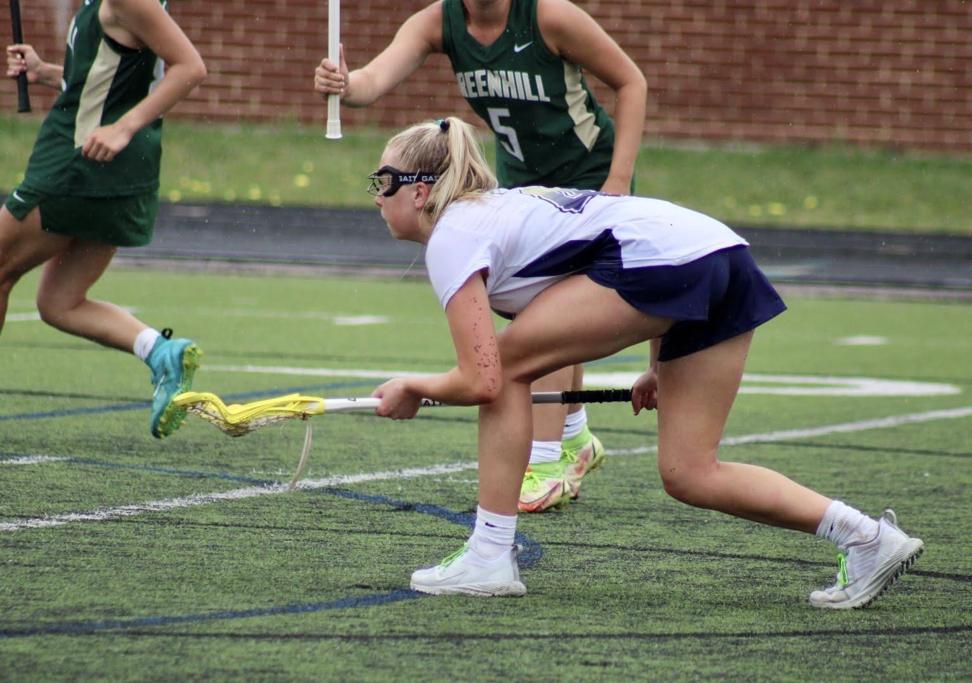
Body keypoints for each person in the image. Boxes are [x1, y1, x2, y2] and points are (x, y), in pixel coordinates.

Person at [367, 117, 924, 607]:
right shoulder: (491, 214)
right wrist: (660, 365)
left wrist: (414, 387)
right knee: (690, 474)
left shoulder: (454, 233)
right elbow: (630, 239)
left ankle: (488, 556)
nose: (376, 196)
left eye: (383, 181)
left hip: (671, 265)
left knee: (510, 368)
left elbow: (483, 379)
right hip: (719, 255)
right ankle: (867, 538)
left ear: (420, 192)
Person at [313, 0, 648, 513]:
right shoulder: (439, 21)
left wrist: (617, 183)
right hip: (522, 182)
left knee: (546, 320)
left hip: (587, 180)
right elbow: (373, 80)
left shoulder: (549, 16)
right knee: (543, 314)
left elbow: (632, 82)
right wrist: (345, 83)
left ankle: (545, 459)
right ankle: (575, 438)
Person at [2, 0, 207, 438]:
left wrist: (122, 127)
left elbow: (190, 68)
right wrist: (46, 72)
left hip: (78, 165)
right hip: (119, 174)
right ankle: (160, 352)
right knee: (61, 303)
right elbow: (117, 79)